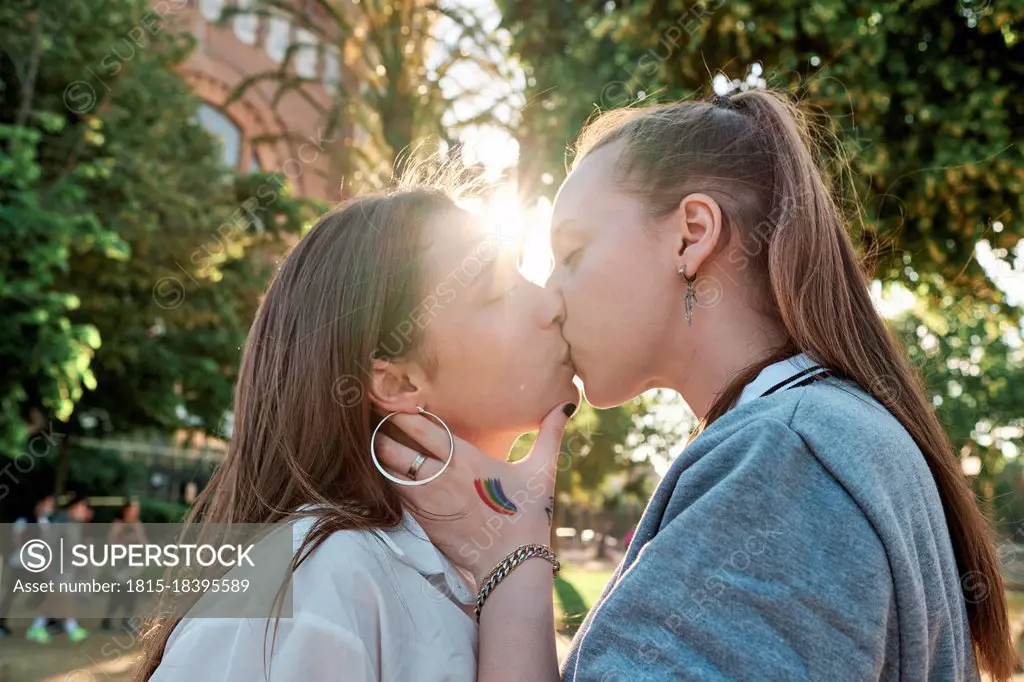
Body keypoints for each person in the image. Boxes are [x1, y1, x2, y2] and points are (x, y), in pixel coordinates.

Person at [375, 90, 1017, 681]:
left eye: (571, 252)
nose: (551, 296)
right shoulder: (815, 435)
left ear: (692, 234)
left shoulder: (783, 463)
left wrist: (513, 564)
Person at [137, 179, 579, 680]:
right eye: (499, 292)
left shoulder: (459, 568)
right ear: (397, 380)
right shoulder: (322, 581)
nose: (550, 304)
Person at [0, 492, 55, 638]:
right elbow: (16, 540)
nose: (50, 507)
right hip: (20, 563)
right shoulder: (23, 521)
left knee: (44, 591)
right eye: (48, 503)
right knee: (11, 594)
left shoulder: (46, 523)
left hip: (37, 564)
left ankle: (43, 622)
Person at [102, 499, 147, 633]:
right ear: (126, 510)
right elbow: (110, 543)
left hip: (133, 563)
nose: (135, 512)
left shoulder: (137, 525)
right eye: (133, 509)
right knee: (117, 593)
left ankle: (127, 621)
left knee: (132, 593)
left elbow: (144, 543)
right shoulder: (118, 524)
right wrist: (126, 539)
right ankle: (108, 620)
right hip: (120, 563)